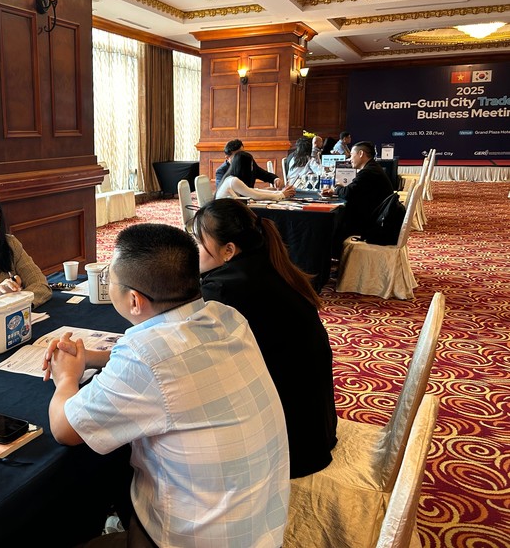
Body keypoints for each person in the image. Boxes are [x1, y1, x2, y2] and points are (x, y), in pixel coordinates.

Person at [42, 223, 290, 547]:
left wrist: (65, 377)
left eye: (110, 280)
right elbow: (171, 361)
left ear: (134, 300)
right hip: (260, 526)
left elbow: (65, 429)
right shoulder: (227, 317)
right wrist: (91, 357)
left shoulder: (145, 357)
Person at [191, 198, 338, 478]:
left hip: (287, 447)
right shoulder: (269, 264)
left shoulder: (225, 289)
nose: (192, 250)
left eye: (198, 242)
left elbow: (188, 350)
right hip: (314, 427)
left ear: (228, 250)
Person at [322, 141, 394, 252]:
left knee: (329, 224)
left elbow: (348, 193)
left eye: (351, 155)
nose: (350, 159)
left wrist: (337, 187)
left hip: (374, 224)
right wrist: (340, 190)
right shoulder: (372, 168)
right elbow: (353, 190)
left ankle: (329, 256)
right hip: (378, 217)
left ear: (360, 154)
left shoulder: (368, 172)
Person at [216, 151, 295, 201]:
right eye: (251, 165)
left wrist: (279, 192)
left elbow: (253, 191)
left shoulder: (231, 178)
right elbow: (255, 195)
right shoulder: (233, 181)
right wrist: (281, 194)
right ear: (245, 166)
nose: (252, 168)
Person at [216, 138, 283, 189]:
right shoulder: (221, 171)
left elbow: (263, 174)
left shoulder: (248, 162)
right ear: (227, 158)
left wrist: (275, 179)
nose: (242, 156)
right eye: (238, 155)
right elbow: (223, 190)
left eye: (243, 152)